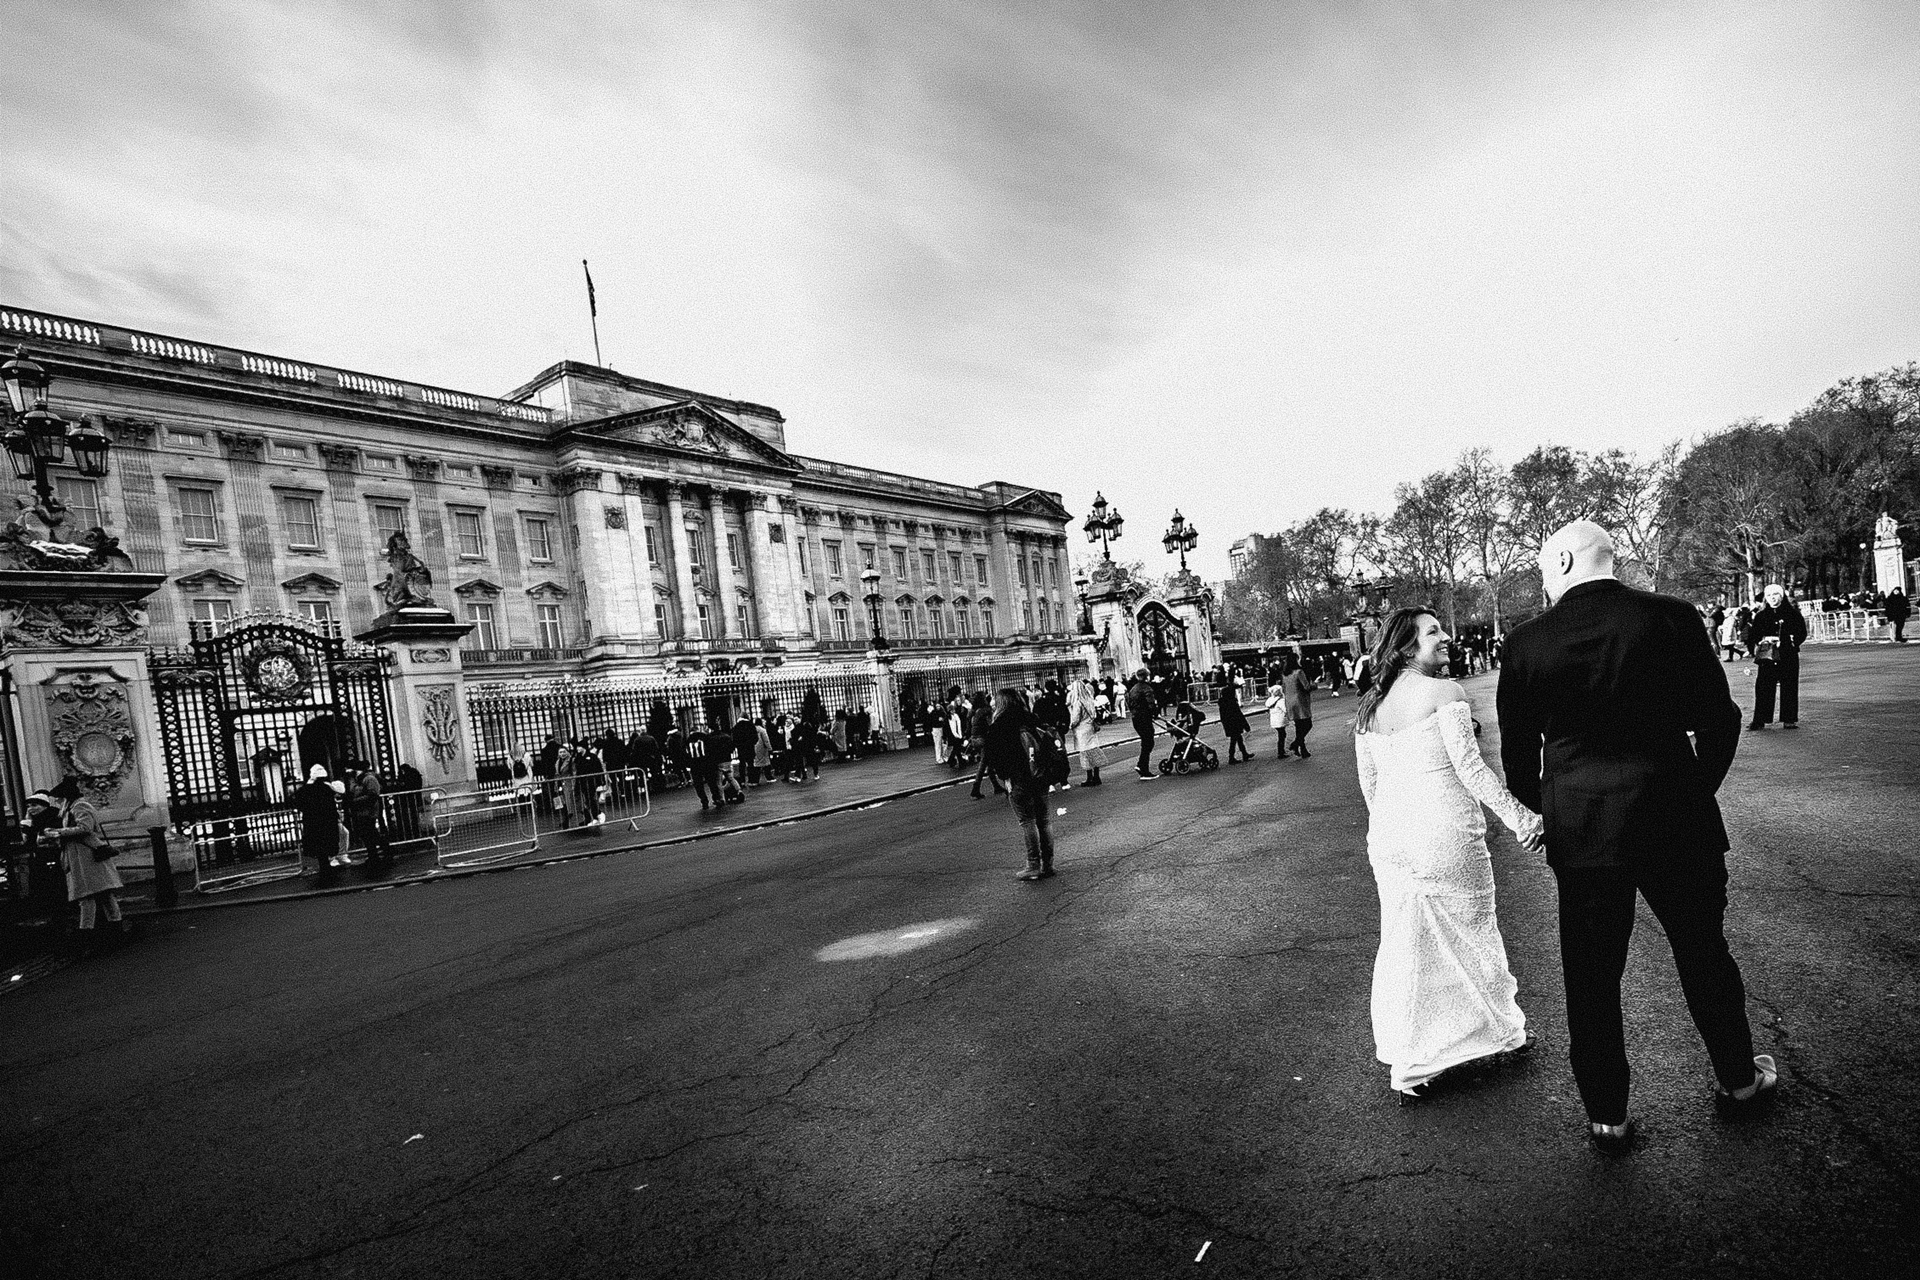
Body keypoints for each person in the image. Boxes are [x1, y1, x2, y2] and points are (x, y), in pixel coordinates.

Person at [1498, 520, 1772, 1155]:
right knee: (1703, 951)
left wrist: (1558, 809)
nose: (1542, 578)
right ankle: (1738, 1078)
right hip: (1673, 811)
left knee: (1592, 977)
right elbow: (1720, 719)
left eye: (1543, 566)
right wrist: (1693, 791)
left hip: (1585, 829)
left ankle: (1607, 1115)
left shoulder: (1527, 643)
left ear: (1563, 557)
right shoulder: (1673, 619)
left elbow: (1518, 764)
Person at [1354, 609, 1537, 1103]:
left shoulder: (1370, 708)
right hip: (1444, 834)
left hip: (1391, 839)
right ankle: (1500, 1030)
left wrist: (1390, 831)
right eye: (1433, 631)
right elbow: (1473, 773)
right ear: (1408, 647)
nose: (1446, 637)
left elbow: (1370, 785)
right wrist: (1523, 820)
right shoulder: (1445, 693)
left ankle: (1412, 1056)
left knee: (1404, 943)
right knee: (1475, 932)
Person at [981, 688, 1057, 882]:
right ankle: (1048, 864)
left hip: (1018, 778)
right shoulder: (1032, 718)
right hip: (1040, 776)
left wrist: (1005, 776)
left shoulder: (999, 725)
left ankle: (1033, 865)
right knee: (1044, 820)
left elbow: (994, 756)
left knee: (1027, 821)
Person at [1747, 583, 1808, 729]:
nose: (1772, 598)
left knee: (1789, 686)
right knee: (1763, 687)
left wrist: (1789, 642)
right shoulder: (1761, 615)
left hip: (1788, 655)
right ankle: (1760, 720)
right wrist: (1761, 640)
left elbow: (1801, 633)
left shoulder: (1792, 614)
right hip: (1767, 656)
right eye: (1768, 596)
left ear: (1781, 596)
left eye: (1775, 595)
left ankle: (1789, 719)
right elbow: (1753, 634)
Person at [297, 764, 343, 885]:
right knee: (328, 844)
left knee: (318, 847)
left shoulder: (305, 790)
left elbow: (299, 804)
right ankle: (327, 867)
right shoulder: (327, 789)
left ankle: (324, 868)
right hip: (328, 822)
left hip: (313, 823)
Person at [345, 760, 393, 869]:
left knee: (371, 834)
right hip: (361, 812)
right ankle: (374, 855)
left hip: (369, 812)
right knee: (367, 835)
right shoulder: (358, 780)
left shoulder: (369, 779)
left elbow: (373, 795)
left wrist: (356, 801)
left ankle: (385, 851)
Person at [1067, 673, 1103, 786]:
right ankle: (1097, 776)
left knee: (1085, 753)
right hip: (1090, 727)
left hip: (1081, 730)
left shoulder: (1078, 702)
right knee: (1093, 750)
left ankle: (1089, 777)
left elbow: (1076, 718)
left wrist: (1070, 725)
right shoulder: (1089, 700)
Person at [1125, 667, 1158, 781]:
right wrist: (1154, 713)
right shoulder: (1146, 688)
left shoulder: (1133, 688)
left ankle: (1142, 765)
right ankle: (1143, 768)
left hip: (1136, 718)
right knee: (1149, 741)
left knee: (1145, 741)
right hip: (1144, 717)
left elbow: (1129, 702)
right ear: (1146, 676)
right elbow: (1151, 703)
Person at [1281, 652, 1313, 759]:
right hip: (1300, 701)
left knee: (1298, 726)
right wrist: (1314, 685)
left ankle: (1302, 749)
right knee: (1308, 724)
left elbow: (1284, 689)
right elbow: (1307, 687)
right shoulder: (1299, 672)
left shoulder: (1285, 674)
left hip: (1289, 701)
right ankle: (1296, 743)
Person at [1218, 676, 1252, 763]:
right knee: (1234, 740)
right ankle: (1232, 757)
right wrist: (1246, 725)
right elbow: (1239, 714)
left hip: (1228, 724)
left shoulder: (1222, 703)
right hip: (1235, 723)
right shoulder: (1232, 702)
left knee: (1238, 739)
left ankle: (1244, 754)